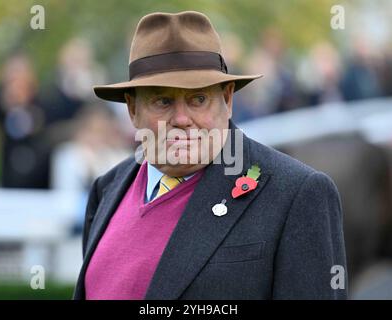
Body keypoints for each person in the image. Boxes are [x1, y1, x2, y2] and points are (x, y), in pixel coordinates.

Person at [74, 11, 347, 300]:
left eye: (199, 99)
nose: (182, 118)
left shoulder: (296, 195)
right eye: (163, 100)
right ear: (132, 109)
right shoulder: (106, 190)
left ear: (228, 99)